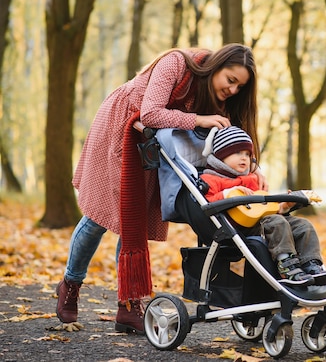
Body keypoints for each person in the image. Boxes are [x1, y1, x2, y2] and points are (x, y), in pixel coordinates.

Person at [56, 44, 267, 334]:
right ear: (216, 66)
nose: (232, 90)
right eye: (230, 80)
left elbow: (236, 137)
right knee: (99, 218)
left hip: (155, 145)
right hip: (121, 129)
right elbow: (152, 112)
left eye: (239, 87)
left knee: (135, 222)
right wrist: (198, 120)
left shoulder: (216, 96)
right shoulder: (177, 64)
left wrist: (253, 166)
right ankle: (70, 284)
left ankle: (128, 305)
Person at [196, 125, 326, 287]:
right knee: (277, 222)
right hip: (238, 228)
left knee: (303, 225)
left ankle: (311, 264)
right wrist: (229, 193)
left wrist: (284, 206)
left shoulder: (253, 179)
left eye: (247, 154)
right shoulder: (210, 179)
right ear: (221, 156)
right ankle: (287, 266)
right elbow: (208, 203)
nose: (244, 158)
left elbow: (264, 207)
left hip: (265, 221)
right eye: (238, 153)